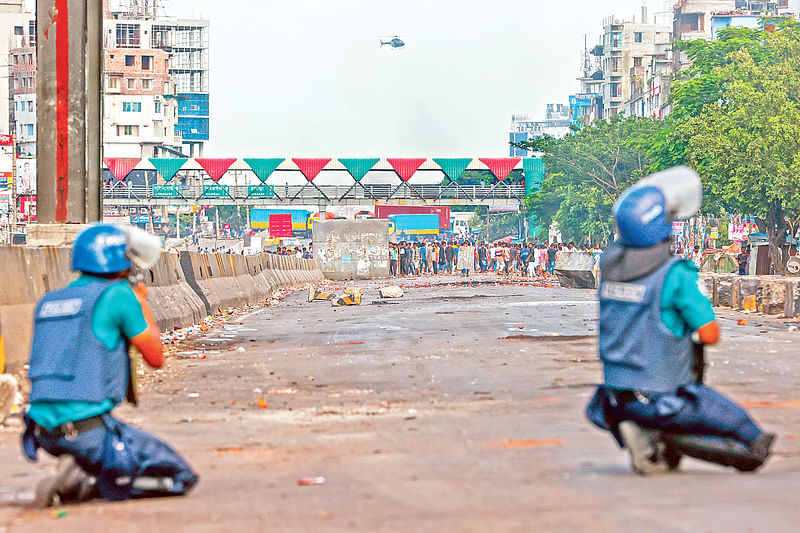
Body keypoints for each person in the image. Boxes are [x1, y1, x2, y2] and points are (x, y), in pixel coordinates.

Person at [586, 171, 775, 475]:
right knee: (749, 435)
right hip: (660, 394)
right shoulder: (676, 274)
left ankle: (642, 428)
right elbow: (709, 335)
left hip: (611, 397)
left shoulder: (610, 264)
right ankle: (657, 432)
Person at [23, 224, 198, 507]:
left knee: (101, 443)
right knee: (180, 475)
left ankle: (82, 466)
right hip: (88, 432)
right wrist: (140, 302)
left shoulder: (50, 300)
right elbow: (156, 357)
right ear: (121, 262)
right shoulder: (118, 295)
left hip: (41, 433)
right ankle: (88, 480)